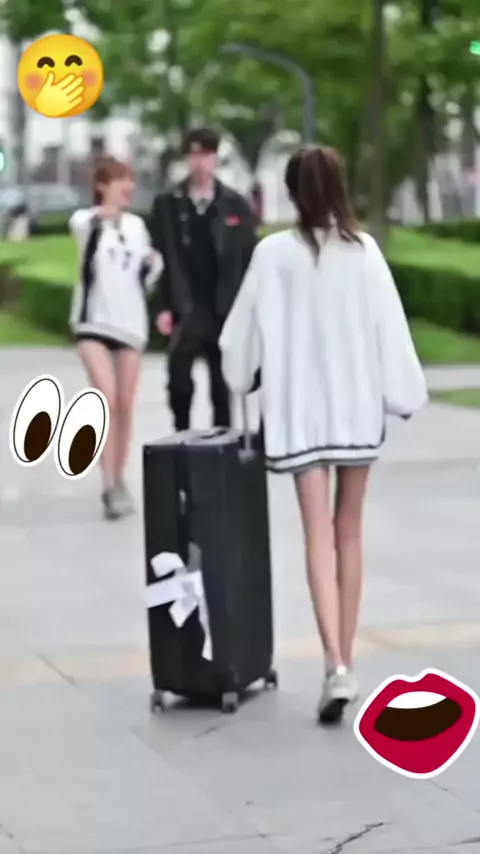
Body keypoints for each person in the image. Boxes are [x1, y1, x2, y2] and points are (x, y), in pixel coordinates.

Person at [219, 144, 428, 725]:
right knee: (349, 531)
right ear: (340, 187)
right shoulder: (364, 253)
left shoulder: (271, 255)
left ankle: (333, 663)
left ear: (291, 191)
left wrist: (242, 376)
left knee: (316, 534)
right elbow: (392, 331)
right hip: (355, 411)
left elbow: (238, 344)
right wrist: (405, 396)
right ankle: (348, 660)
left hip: (299, 415)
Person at [69, 156, 162, 520]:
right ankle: (107, 482)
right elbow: (87, 228)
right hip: (93, 324)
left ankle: (119, 478)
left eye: (130, 180)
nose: (128, 187)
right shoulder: (85, 221)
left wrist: (154, 265)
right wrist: (105, 216)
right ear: (102, 185)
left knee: (124, 402)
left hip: (130, 325)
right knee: (105, 398)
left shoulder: (137, 227)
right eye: (120, 180)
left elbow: (145, 274)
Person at [148, 127, 257, 431]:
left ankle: (221, 443)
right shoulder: (169, 204)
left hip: (222, 305)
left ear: (215, 158)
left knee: (221, 387)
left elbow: (247, 259)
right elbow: (159, 258)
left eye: (206, 154)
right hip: (185, 303)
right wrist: (163, 306)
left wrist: (247, 309)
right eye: (194, 154)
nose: (200, 162)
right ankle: (180, 436)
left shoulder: (234, 205)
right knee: (179, 383)